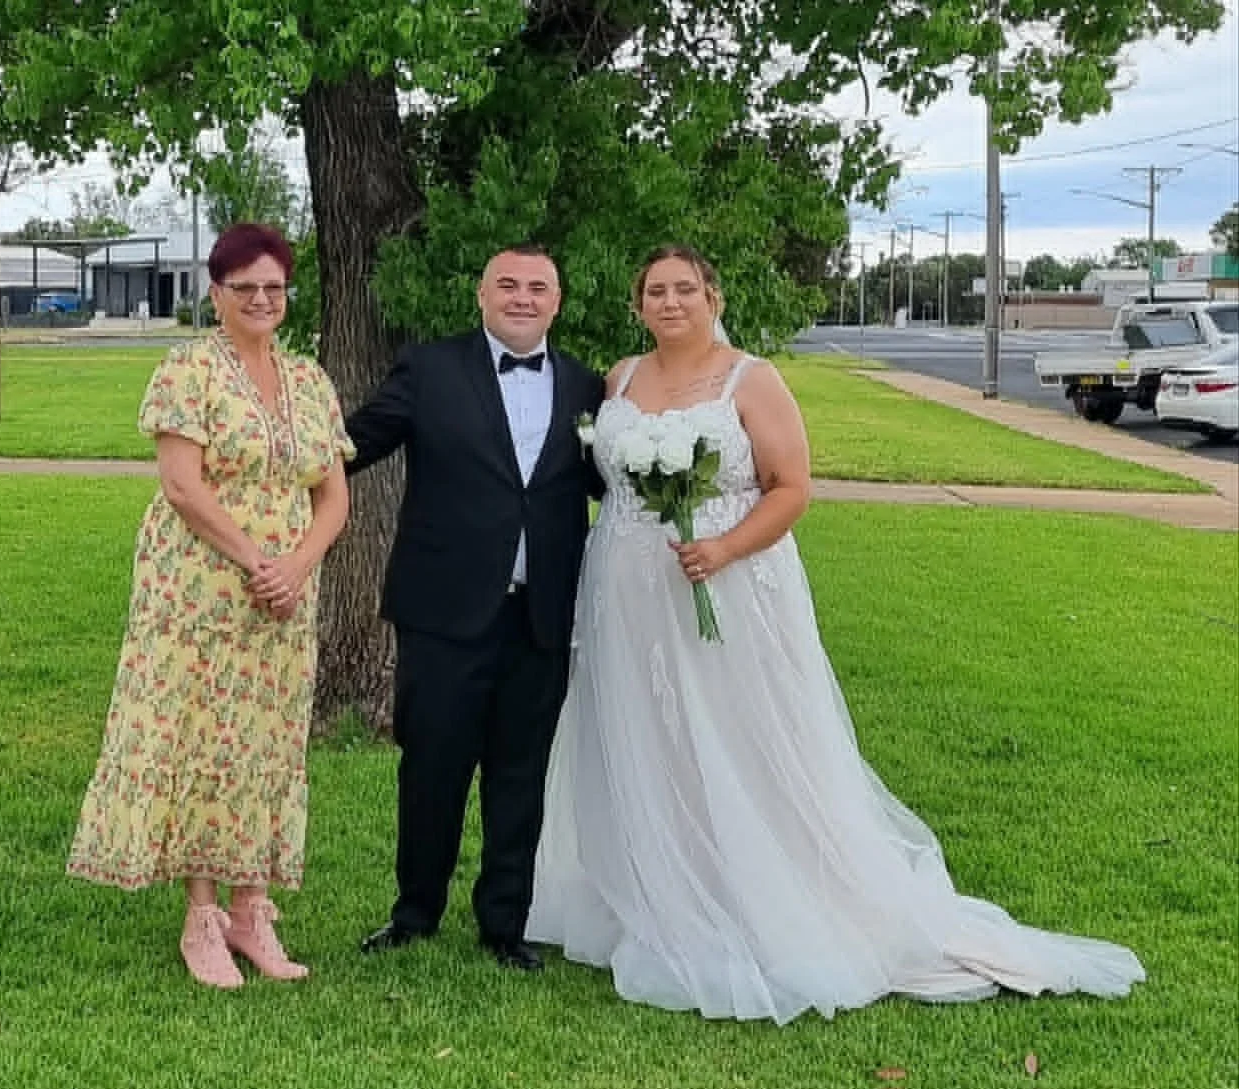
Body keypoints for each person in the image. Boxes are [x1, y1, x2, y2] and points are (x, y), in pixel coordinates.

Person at [526, 245, 1146, 1023]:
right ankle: (660, 884)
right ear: (638, 305)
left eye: (687, 287)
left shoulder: (753, 381)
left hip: (729, 582)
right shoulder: (618, 378)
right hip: (626, 594)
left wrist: (721, 546)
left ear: (714, 297)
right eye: (656, 290)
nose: (671, 301)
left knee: (740, 737)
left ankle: (757, 892)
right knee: (652, 737)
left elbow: (792, 488)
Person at [67, 223, 354, 990]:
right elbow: (182, 485)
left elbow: (334, 496)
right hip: (199, 585)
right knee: (202, 735)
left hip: (286, 593)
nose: (261, 300)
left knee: (266, 739)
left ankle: (251, 907)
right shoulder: (187, 370)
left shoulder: (310, 381)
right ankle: (201, 915)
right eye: (244, 288)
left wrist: (295, 565)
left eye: (274, 287)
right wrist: (258, 559)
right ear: (216, 293)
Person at [346, 244, 605, 971]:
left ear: (557, 301)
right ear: (482, 294)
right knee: (432, 767)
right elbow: (355, 443)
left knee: (520, 776)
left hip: (541, 616)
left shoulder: (589, 386)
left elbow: (615, 486)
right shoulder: (429, 369)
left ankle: (503, 923)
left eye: (538, 287)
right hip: (443, 611)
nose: (522, 297)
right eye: (508, 284)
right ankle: (414, 912)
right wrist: (271, 471)